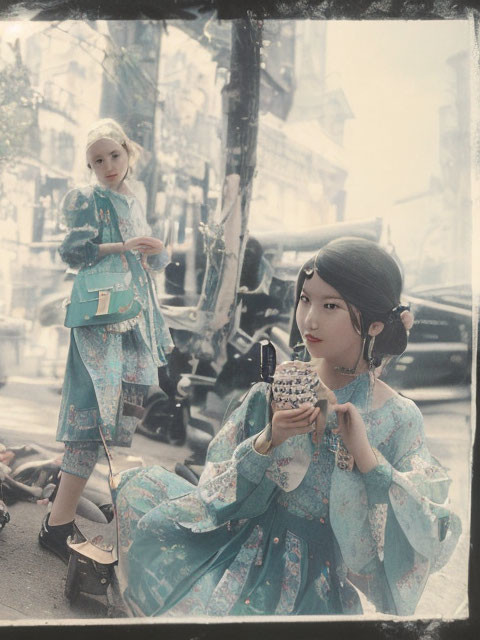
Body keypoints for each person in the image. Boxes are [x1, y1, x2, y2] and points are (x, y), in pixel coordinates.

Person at [112, 237, 462, 616]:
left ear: (375, 324)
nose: (309, 319)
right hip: (240, 537)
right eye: (305, 299)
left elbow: (432, 527)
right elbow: (219, 481)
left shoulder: (397, 416)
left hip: (313, 577)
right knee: (139, 490)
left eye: (331, 306)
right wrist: (269, 439)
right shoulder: (280, 385)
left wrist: (366, 456)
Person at [38, 118, 173, 560]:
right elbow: (73, 253)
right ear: (89, 166)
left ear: (127, 152)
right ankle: (56, 526)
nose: (107, 165)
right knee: (89, 417)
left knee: (120, 411)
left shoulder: (135, 199)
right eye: (97, 160)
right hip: (100, 317)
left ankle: (61, 518)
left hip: (136, 317)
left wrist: (155, 251)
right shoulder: (86, 199)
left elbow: (153, 263)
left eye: (113, 155)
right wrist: (124, 247)